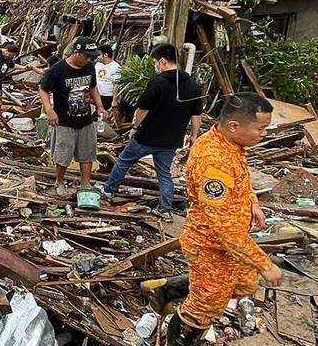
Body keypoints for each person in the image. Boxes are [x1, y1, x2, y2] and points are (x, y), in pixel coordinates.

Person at [139, 93, 285, 346]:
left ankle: (166, 290)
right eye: (261, 129)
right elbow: (224, 229)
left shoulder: (229, 144)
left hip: (225, 241)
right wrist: (264, 263)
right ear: (233, 125)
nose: (264, 134)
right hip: (211, 242)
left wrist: (253, 202)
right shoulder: (213, 162)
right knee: (209, 301)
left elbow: (241, 181)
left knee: (240, 285)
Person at [99, 43, 203, 221]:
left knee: (124, 161)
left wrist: (134, 128)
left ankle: (108, 190)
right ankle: (165, 209)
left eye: (156, 62)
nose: (156, 65)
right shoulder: (192, 86)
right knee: (164, 173)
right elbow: (196, 115)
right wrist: (194, 135)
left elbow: (142, 110)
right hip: (171, 140)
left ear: (162, 61)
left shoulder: (158, 83)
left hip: (147, 137)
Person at [40, 36, 107, 198]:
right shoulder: (57, 70)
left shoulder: (90, 67)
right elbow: (43, 90)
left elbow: (93, 87)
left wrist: (99, 106)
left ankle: (85, 183)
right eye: (86, 55)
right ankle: (60, 181)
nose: (88, 59)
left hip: (85, 119)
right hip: (64, 120)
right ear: (76, 52)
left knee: (87, 153)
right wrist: (49, 110)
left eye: (91, 56)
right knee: (63, 154)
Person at [94, 44, 121, 112]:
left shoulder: (116, 67)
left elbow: (117, 85)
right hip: (97, 95)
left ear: (105, 55)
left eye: (99, 55)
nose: (97, 57)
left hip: (107, 97)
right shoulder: (97, 65)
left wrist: (114, 100)